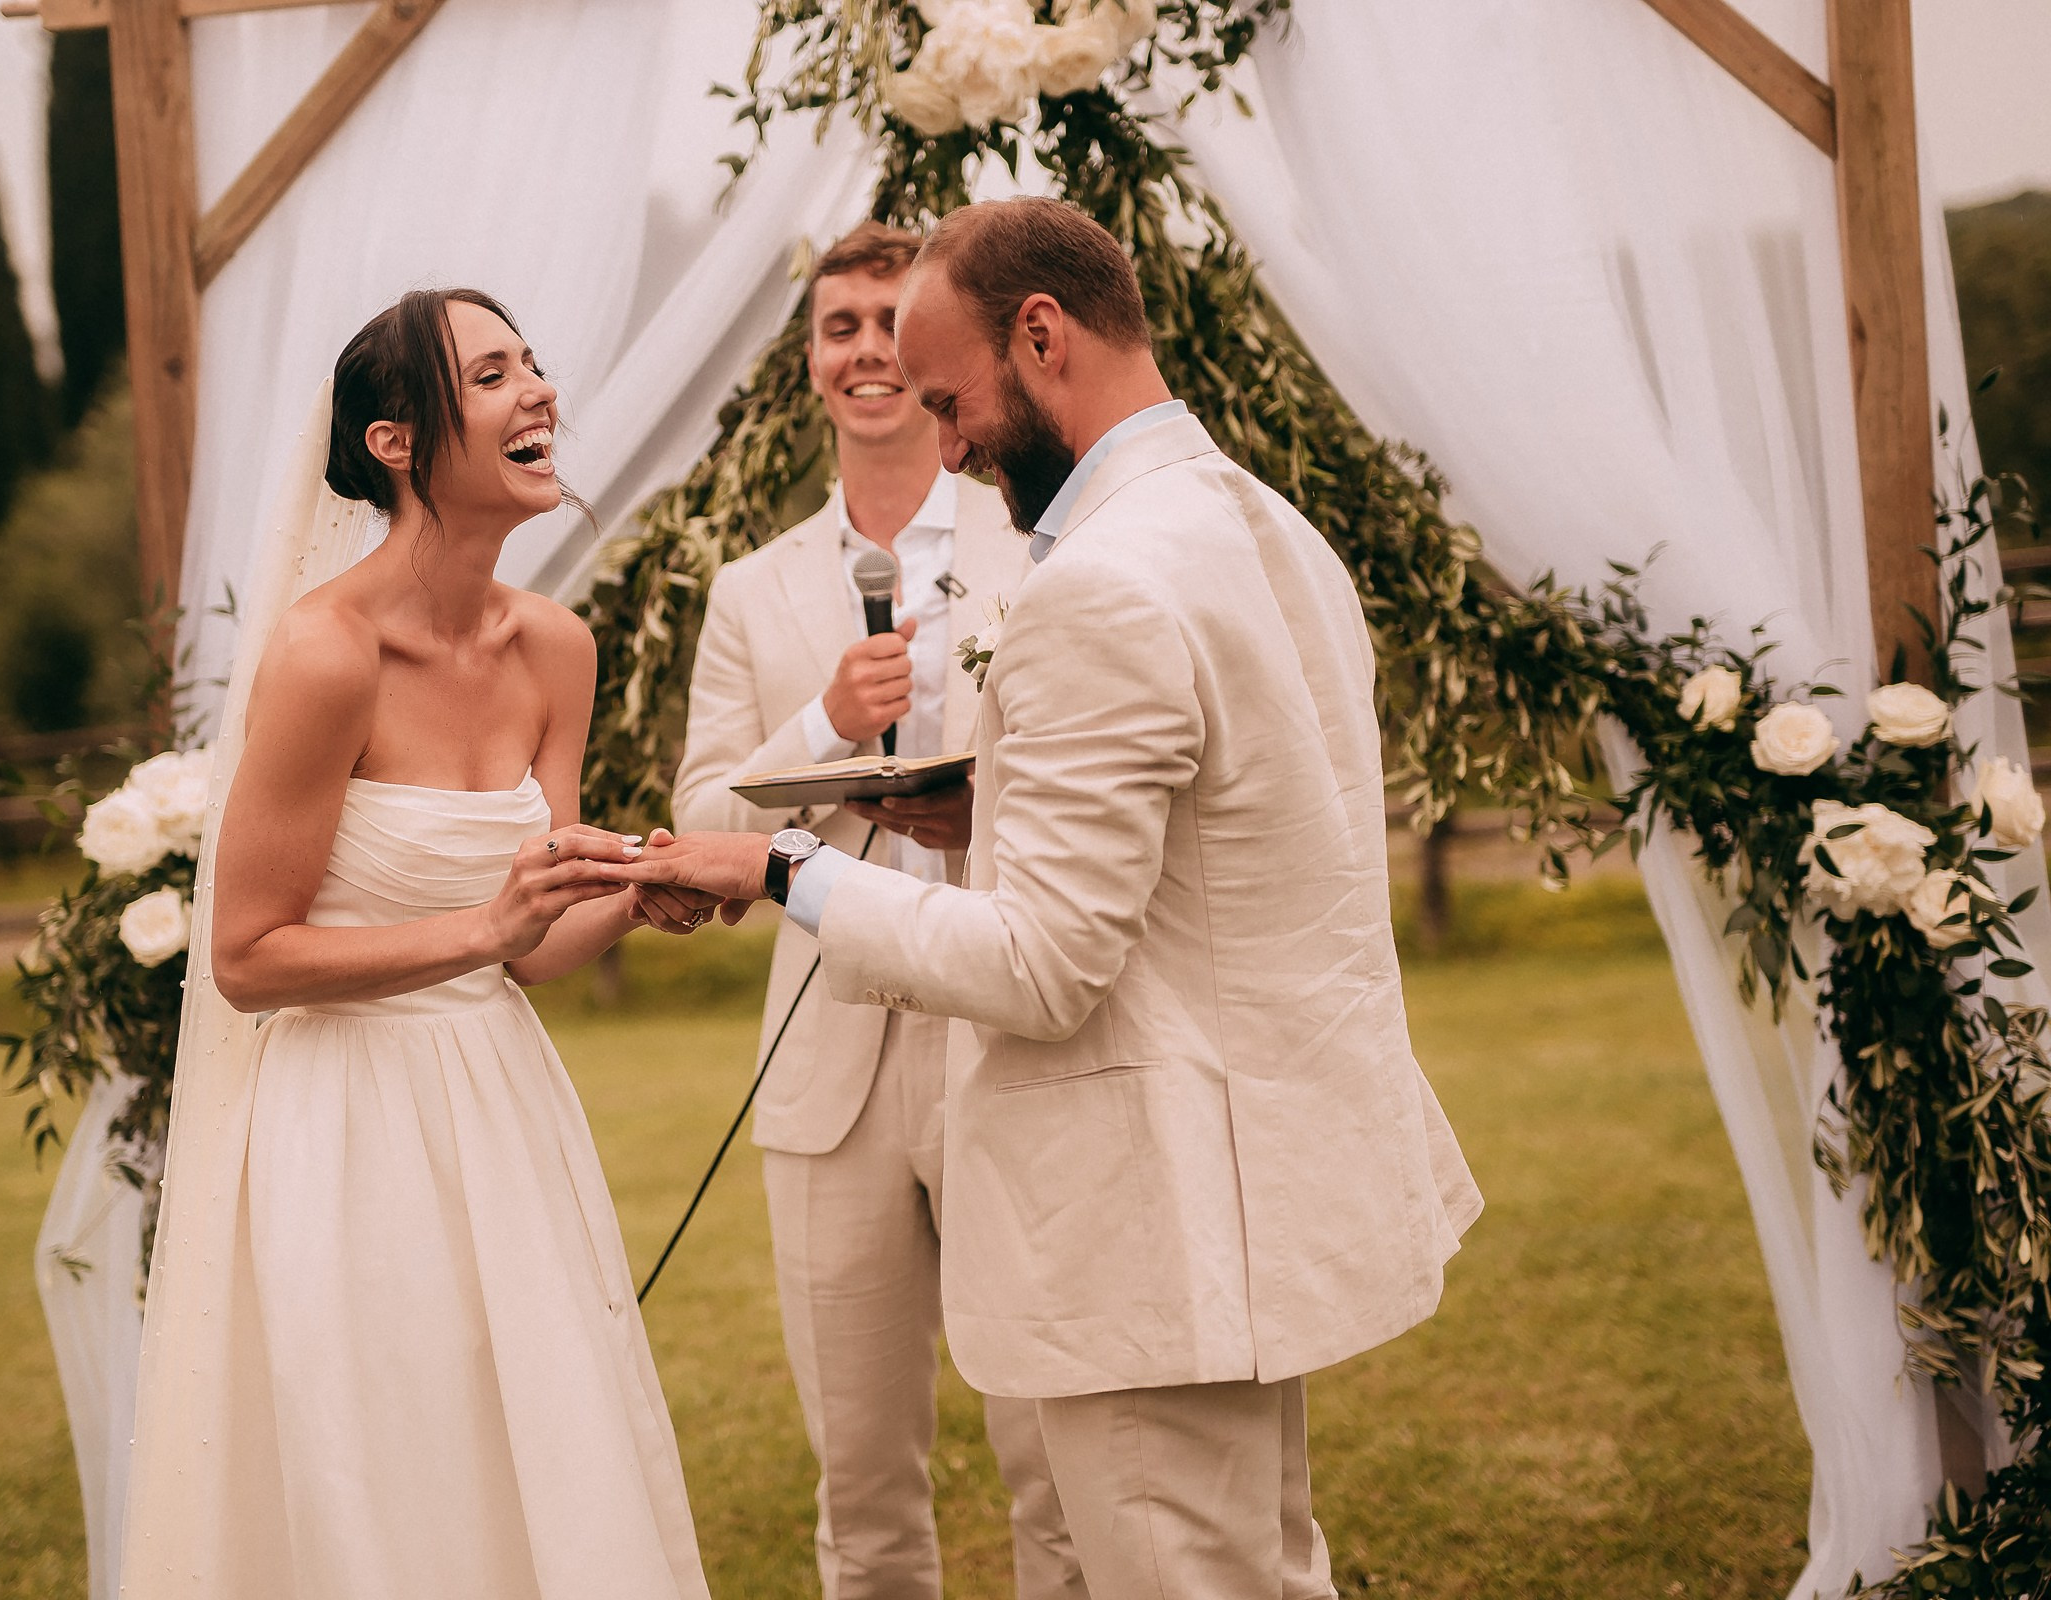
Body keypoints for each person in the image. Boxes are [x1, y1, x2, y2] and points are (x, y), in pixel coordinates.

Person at [618, 199, 1484, 1599]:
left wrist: (782, 864)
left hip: (1150, 1217)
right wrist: (989, 810)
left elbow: (1043, 968)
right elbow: (1232, 839)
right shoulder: (1265, 526)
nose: (944, 439)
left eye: (953, 400)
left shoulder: (1098, 587)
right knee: (1265, 1569)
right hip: (1247, 1192)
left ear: (1043, 335)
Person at [118, 288, 719, 1600]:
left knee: (539, 1443)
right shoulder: (328, 654)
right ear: (397, 443)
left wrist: (634, 891)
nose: (539, 391)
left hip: (502, 1109)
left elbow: (534, 951)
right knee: (389, 1463)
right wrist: (489, 923)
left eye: (535, 365)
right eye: (495, 373)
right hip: (346, 1122)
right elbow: (247, 957)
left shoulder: (557, 648)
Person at [671, 222, 1079, 1600]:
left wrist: (992, 808)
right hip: (826, 1063)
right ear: (810, 365)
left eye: (886, 325)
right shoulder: (752, 590)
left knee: (1054, 1464)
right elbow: (700, 833)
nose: (865, 351)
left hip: (1009, 1035)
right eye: (837, 327)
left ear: (932, 352)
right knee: (860, 1488)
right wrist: (821, 722)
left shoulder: (1036, 540)